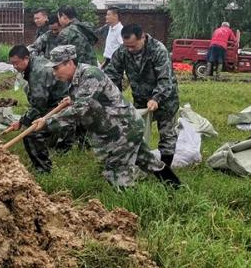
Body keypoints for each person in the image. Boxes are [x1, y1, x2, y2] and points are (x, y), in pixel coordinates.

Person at [31, 46, 180, 188]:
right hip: (117, 127)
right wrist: (72, 100)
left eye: (56, 68)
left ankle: (129, 209)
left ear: (69, 63)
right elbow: (86, 99)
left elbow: (80, 109)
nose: (54, 73)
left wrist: (47, 122)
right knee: (148, 161)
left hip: (123, 128)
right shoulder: (77, 77)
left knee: (115, 172)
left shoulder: (90, 74)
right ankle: (177, 188)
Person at [104, 23, 180, 168]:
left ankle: (165, 169)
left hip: (165, 99)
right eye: (127, 46)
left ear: (142, 38)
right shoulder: (122, 52)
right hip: (140, 99)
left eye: (133, 46)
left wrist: (156, 98)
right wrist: (112, 97)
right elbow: (112, 75)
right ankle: (140, 164)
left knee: (167, 135)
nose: (130, 49)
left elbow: (165, 79)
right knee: (137, 131)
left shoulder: (158, 50)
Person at [5, 45, 64, 173]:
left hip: (63, 105)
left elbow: (38, 105)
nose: (15, 67)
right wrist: (21, 121)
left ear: (26, 58)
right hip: (53, 101)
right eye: (12, 64)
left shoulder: (38, 72)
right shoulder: (35, 62)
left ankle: (43, 169)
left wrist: (22, 121)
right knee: (35, 123)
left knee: (31, 134)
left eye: (16, 63)